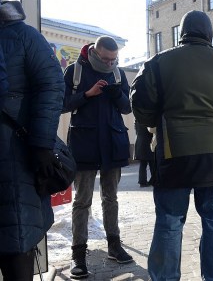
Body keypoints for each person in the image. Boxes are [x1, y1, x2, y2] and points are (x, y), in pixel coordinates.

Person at [130, 10, 213, 281]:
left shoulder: (157, 63)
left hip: (173, 155)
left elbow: (140, 105)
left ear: (182, 33)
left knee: (170, 221)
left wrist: (161, 123)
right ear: (210, 35)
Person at [0, 0, 65, 280]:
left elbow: (51, 84)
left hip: (13, 152)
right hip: (16, 149)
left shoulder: (23, 35)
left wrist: (41, 144)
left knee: (17, 238)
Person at [63, 35, 134, 278]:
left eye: (114, 60)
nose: (111, 64)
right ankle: (78, 255)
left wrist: (116, 95)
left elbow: (127, 108)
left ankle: (114, 245)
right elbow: (63, 104)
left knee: (110, 197)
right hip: (84, 145)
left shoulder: (117, 73)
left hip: (112, 144)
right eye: (106, 59)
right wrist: (87, 94)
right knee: (82, 201)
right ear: (94, 51)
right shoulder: (75, 71)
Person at [134, 121, 155, 187]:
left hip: (140, 142)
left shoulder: (137, 119)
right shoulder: (147, 119)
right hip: (147, 143)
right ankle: (154, 180)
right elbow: (151, 131)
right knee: (152, 163)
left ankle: (142, 181)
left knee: (143, 164)